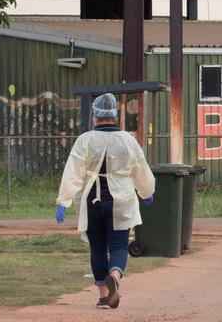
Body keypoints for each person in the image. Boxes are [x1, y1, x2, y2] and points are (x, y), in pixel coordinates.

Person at [55, 93, 157, 309]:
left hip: (92, 198)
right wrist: (146, 191)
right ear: (113, 115)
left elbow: (73, 171)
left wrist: (63, 200)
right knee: (119, 245)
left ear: (95, 115)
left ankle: (103, 296)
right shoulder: (128, 139)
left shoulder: (85, 140)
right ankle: (115, 276)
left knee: (98, 248)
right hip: (121, 198)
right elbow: (140, 168)